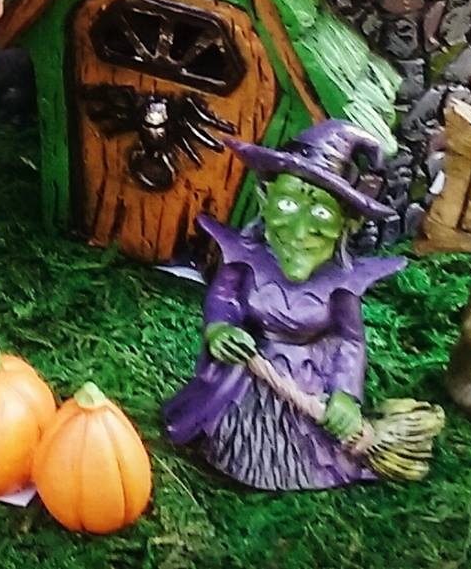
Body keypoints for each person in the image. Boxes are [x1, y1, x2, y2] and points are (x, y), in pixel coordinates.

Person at [162, 121, 404, 490]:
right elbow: (223, 298)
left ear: (347, 224)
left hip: (305, 391)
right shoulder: (244, 259)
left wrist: (345, 395)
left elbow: (350, 341)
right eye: (288, 204)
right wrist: (220, 329)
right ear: (265, 200)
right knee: (231, 428)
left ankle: (296, 466)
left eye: (321, 213)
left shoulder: (340, 286)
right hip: (245, 380)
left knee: (305, 450)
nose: (300, 229)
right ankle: (232, 453)